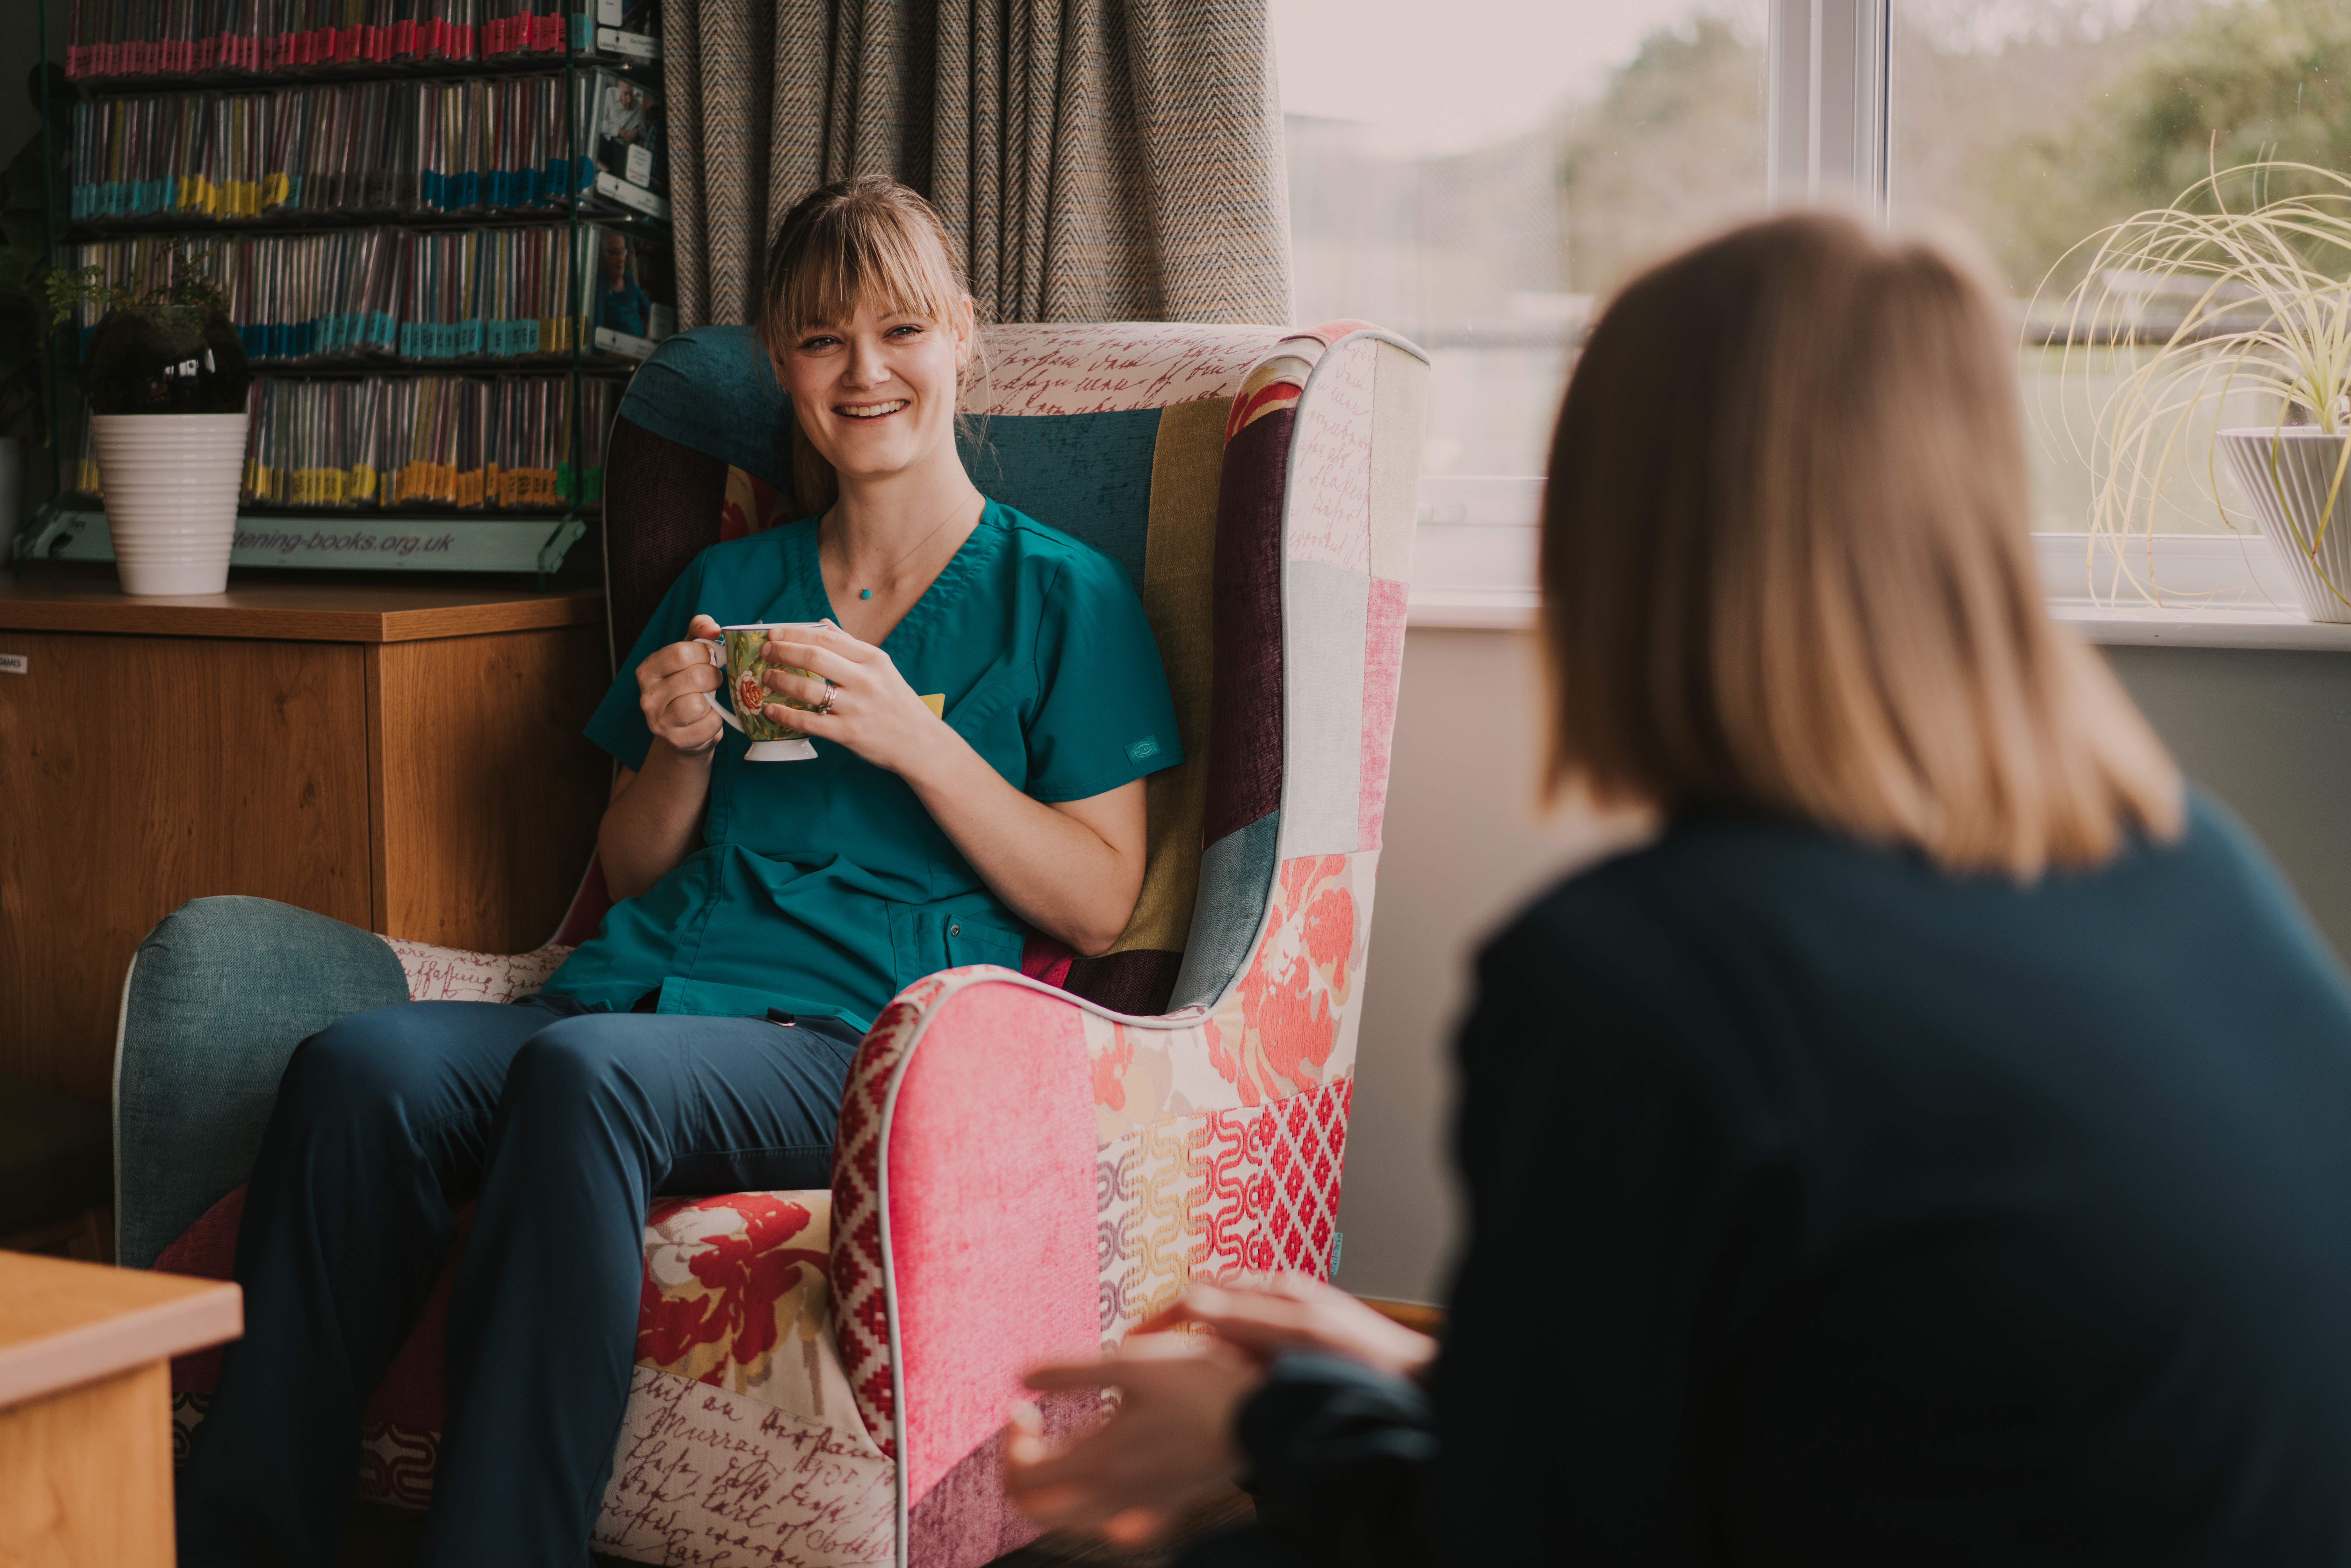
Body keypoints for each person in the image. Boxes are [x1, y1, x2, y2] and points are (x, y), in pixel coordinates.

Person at [1002, 211, 2351, 1564]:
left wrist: (1277, 1429)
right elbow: (1916, 1383)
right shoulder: (2196, 866)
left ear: (1616, 534)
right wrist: (1428, 1382)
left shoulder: (1648, 974)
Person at [179, 175, 1183, 1567]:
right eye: (824, 341)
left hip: (853, 1034)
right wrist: (677, 752)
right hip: (635, 993)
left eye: (901, 329)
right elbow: (630, 864)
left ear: (962, 336)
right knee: (358, 1069)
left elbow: (1094, 898)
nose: (867, 370)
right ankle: (239, 1541)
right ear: (784, 369)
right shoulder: (735, 583)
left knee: (580, 1081)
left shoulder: (1062, 595)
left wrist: (916, 741)